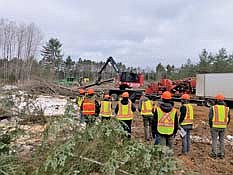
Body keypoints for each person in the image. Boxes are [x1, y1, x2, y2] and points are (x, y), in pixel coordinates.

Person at [208, 94, 230, 159]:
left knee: (214, 140)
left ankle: (214, 154)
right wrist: (225, 124)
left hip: (214, 126)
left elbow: (210, 118)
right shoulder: (226, 108)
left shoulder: (213, 108)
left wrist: (211, 125)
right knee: (222, 140)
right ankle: (222, 154)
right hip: (223, 127)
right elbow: (228, 118)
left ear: (216, 100)